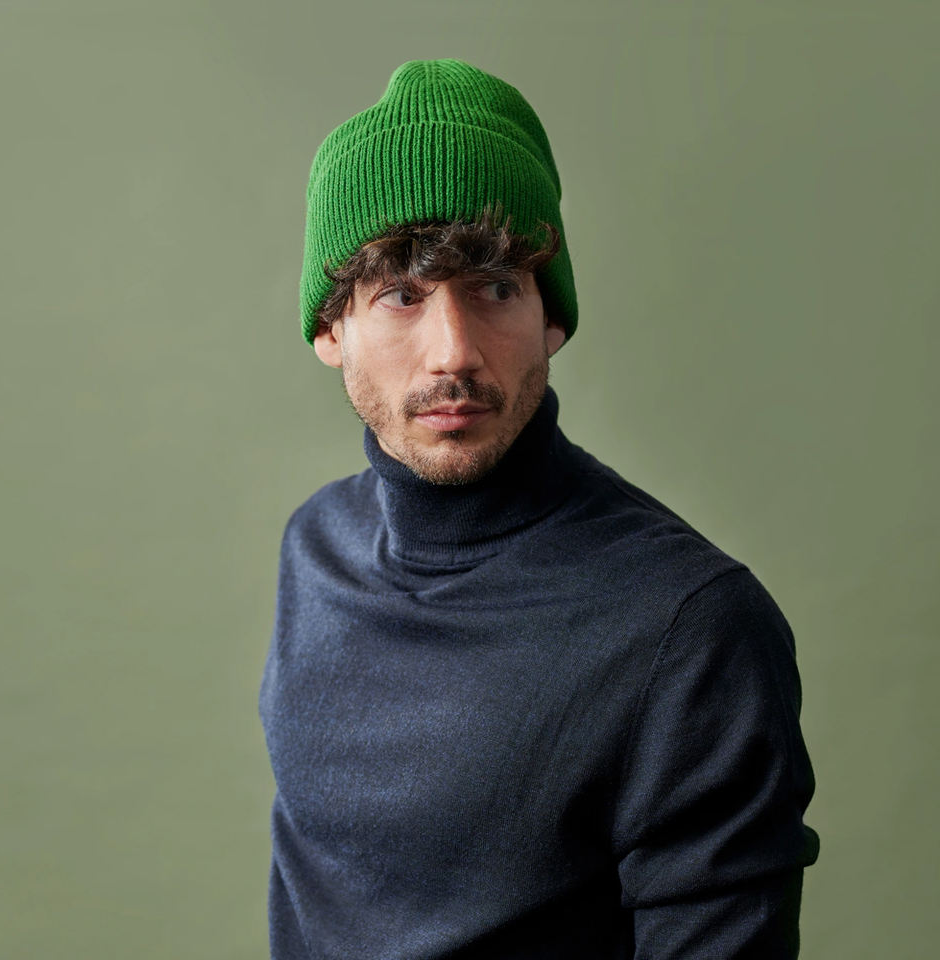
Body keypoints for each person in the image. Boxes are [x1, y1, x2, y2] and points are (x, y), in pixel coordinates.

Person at [259, 58, 819, 959]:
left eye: (496, 288)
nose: (453, 352)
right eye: (401, 295)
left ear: (550, 320)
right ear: (332, 330)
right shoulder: (314, 547)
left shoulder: (691, 629)